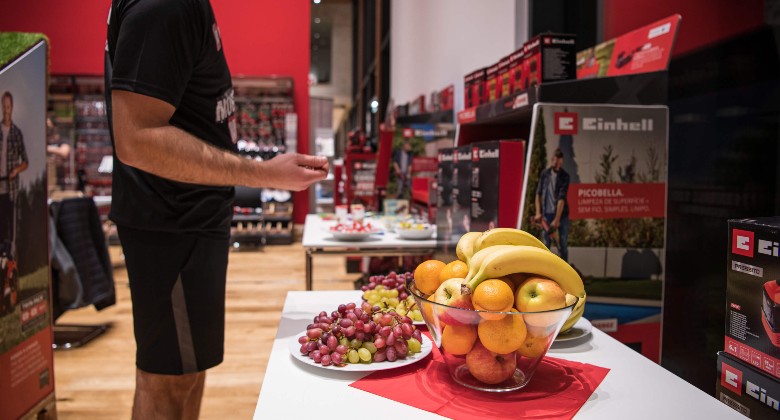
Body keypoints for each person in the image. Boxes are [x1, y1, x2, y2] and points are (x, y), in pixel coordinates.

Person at [106, 2, 328, 418]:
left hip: (189, 222)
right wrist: (263, 174)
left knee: (186, 372)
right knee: (167, 382)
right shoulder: (164, 5)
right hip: (173, 223)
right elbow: (136, 137)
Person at [0, 91, 28, 258]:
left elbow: (25, 161)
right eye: (4, 106)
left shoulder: (16, 133)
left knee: (11, 226)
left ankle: (10, 259)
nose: (6, 110)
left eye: (8, 107)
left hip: (10, 188)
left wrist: (15, 171)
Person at [534, 148, 570, 262]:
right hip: (546, 215)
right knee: (545, 244)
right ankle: (545, 269)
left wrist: (557, 220)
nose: (558, 164)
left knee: (563, 243)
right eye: (556, 161)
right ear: (552, 160)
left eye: (560, 162)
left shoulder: (565, 176)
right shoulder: (545, 174)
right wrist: (538, 212)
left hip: (561, 216)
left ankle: (566, 270)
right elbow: (538, 193)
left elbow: (561, 198)